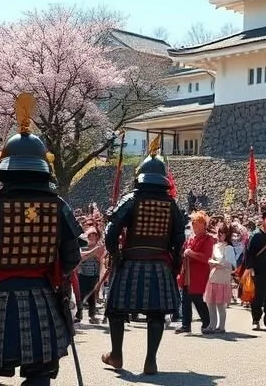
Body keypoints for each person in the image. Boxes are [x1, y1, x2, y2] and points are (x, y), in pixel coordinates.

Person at [0, 97, 82, 386]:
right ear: (42, 167)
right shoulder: (59, 206)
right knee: (40, 375)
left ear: (5, 167)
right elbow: (71, 257)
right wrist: (52, 277)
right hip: (42, 299)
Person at [102, 142, 185, 375]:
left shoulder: (131, 200)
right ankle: (150, 361)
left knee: (117, 310)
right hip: (159, 264)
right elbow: (179, 239)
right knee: (156, 313)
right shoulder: (172, 205)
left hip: (130, 262)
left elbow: (112, 228)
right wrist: (174, 265)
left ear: (140, 176)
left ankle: (116, 355)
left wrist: (114, 253)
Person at [175, 211, 214, 334]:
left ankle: (206, 322)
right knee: (185, 299)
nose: (193, 225)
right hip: (188, 273)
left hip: (198, 273)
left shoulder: (208, 239)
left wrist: (191, 253)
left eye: (196, 223)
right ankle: (186, 324)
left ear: (203, 224)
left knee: (197, 299)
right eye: (193, 223)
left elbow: (206, 257)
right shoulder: (191, 238)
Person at [202, 222, 236, 334]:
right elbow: (210, 259)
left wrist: (218, 263)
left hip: (223, 278)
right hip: (213, 276)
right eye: (218, 233)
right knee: (210, 303)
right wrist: (215, 263)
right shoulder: (215, 246)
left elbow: (231, 265)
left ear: (227, 234)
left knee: (220, 304)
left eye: (222, 233)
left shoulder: (229, 247)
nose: (219, 235)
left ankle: (221, 326)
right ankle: (211, 325)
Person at [74, 228, 103, 324]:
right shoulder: (83, 246)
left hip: (94, 275)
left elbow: (99, 257)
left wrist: (90, 254)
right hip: (82, 274)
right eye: (91, 236)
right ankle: (78, 315)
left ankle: (92, 315)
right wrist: (92, 253)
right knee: (80, 296)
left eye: (94, 236)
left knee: (92, 298)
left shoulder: (99, 247)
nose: (92, 238)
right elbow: (80, 257)